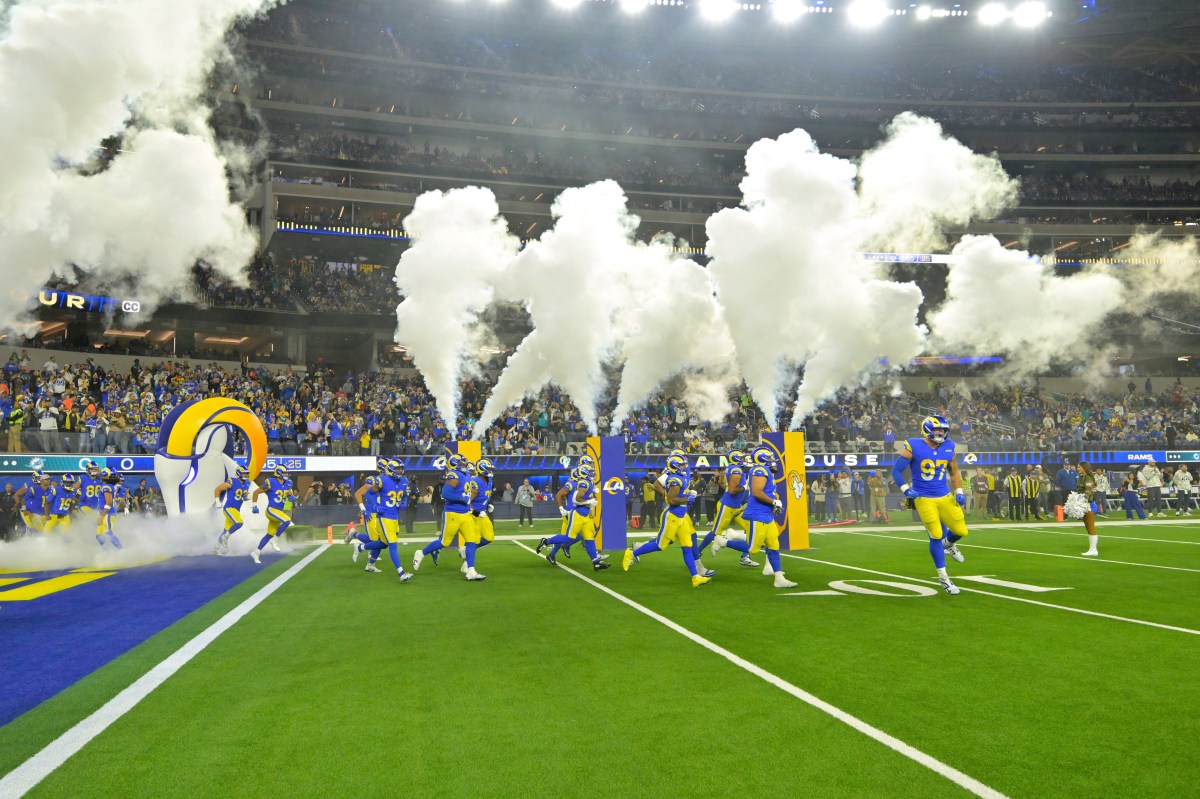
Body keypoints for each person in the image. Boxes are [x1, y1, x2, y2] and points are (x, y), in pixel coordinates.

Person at [890, 415, 969, 595]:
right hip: (923, 497)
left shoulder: (949, 446)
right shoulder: (914, 445)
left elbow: (954, 472)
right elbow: (896, 471)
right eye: (937, 430)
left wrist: (959, 492)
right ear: (927, 429)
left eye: (943, 430)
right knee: (935, 535)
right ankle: (944, 578)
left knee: (961, 531)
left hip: (944, 495)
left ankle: (949, 544)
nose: (941, 433)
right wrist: (905, 489)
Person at [710, 445, 798, 589]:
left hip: (766, 514)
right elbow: (757, 492)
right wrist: (773, 501)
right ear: (762, 458)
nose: (772, 460)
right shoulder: (759, 470)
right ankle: (723, 542)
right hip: (757, 514)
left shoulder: (765, 470)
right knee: (752, 548)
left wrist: (773, 506)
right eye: (769, 457)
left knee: (773, 546)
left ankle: (779, 578)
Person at [621, 452, 711, 587]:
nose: (684, 465)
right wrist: (688, 498)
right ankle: (631, 553)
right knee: (660, 545)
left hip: (681, 517)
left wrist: (688, 495)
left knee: (687, 547)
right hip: (673, 517)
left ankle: (695, 577)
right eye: (681, 464)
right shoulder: (674, 479)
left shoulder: (679, 477)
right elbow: (672, 499)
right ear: (675, 465)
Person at [414, 455, 483, 580]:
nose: (465, 465)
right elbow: (446, 493)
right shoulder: (453, 475)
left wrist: (474, 510)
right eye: (462, 463)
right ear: (455, 464)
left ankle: (471, 570)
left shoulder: (465, 475)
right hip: (453, 513)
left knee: (472, 540)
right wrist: (462, 499)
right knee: (444, 542)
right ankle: (421, 553)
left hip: (465, 514)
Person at [697, 448, 757, 568]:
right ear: (735, 458)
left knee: (751, 529)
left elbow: (721, 483)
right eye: (740, 458)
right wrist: (745, 487)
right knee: (715, 532)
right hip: (728, 506)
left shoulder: (733, 468)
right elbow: (732, 490)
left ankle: (745, 557)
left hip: (737, 506)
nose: (743, 460)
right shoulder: (735, 470)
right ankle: (696, 553)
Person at [250, 465, 294, 563]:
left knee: (269, 534)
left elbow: (289, 491)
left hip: (278, 512)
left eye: (287, 473)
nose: (286, 475)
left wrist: (291, 496)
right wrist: (254, 505)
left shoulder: (288, 483)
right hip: (272, 510)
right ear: (278, 473)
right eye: (284, 473)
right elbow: (256, 492)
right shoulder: (271, 482)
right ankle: (275, 540)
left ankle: (256, 552)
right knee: (287, 520)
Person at [213, 466, 252, 555]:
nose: (245, 475)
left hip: (236, 510)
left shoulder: (247, 483)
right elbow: (217, 489)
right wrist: (218, 501)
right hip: (229, 508)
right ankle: (225, 538)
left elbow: (242, 495)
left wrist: (246, 497)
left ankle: (216, 548)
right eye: (243, 473)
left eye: (246, 473)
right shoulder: (232, 481)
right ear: (239, 473)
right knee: (239, 522)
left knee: (225, 530)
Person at [1075, 462, 1102, 557]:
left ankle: (1094, 550)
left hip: (1089, 504)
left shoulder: (1088, 478)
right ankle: (1091, 549)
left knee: (1090, 526)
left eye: (1079, 467)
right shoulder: (1081, 477)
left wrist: (1083, 499)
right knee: (1087, 526)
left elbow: (1088, 490)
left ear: (1084, 468)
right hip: (1083, 504)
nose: (1078, 468)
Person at [95, 469, 125, 549]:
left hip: (107, 513)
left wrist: (101, 516)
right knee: (99, 536)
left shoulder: (106, 486)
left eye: (103, 474)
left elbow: (109, 502)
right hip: (106, 512)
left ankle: (122, 551)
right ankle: (108, 553)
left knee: (108, 533)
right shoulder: (110, 485)